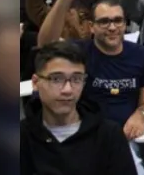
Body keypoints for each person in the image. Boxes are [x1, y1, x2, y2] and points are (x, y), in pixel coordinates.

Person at [37, 0, 144, 175]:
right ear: (92, 27)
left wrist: (142, 116)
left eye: (117, 20)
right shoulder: (80, 52)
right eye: (104, 22)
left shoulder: (139, 54)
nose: (112, 27)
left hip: (126, 141)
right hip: (84, 141)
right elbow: (46, 44)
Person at [21, 41, 137, 175]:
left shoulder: (108, 135)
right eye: (56, 79)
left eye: (76, 79)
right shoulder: (20, 138)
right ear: (36, 83)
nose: (68, 90)